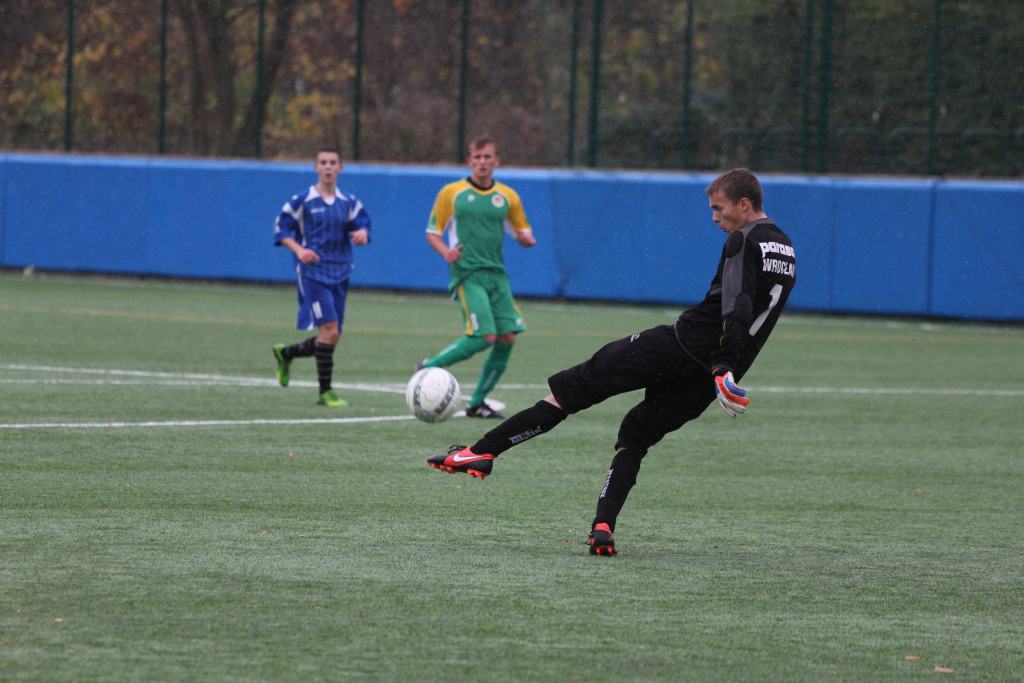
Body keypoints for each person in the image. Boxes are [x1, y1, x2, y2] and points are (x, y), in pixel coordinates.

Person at [426, 168, 796, 556]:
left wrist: (722, 363)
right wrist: (725, 370)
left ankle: (483, 451)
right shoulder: (786, 249)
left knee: (573, 389)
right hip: (707, 379)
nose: (715, 218)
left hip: (679, 348)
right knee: (636, 436)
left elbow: (738, 305)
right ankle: (603, 527)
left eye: (719, 209)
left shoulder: (742, 239)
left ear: (743, 204)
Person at [417, 134, 537, 419]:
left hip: (497, 275)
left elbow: (522, 231)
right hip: (467, 273)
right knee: (485, 336)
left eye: (487, 157)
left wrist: (526, 239)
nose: (482, 162)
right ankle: (429, 367)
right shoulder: (452, 192)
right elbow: (432, 232)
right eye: (478, 157)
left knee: (507, 337)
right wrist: (446, 251)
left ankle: (478, 403)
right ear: (469, 161)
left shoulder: (508, 196)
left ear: (496, 161)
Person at [271, 145, 371, 407]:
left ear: (340, 168)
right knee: (330, 330)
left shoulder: (348, 202)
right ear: (316, 167)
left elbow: (363, 224)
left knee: (332, 335)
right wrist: (299, 250)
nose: (328, 167)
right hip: (313, 274)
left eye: (332, 162)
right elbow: (281, 228)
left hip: (340, 272)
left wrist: (363, 234)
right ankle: (325, 392)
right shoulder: (303, 200)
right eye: (323, 162)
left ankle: (286, 353)